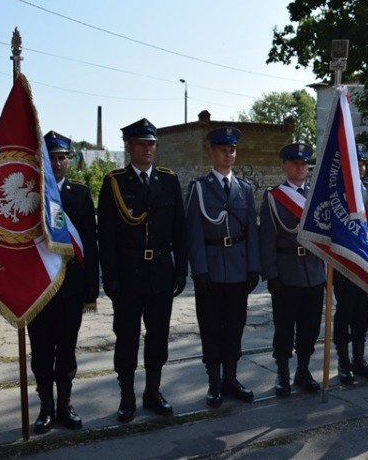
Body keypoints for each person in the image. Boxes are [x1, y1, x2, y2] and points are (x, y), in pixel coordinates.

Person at [98, 119, 187, 423]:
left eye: (151, 144)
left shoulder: (168, 180)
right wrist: (109, 277)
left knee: (158, 336)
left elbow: (180, 229)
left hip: (161, 270)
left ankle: (153, 391)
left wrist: (180, 270)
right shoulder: (114, 182)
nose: (148, 149)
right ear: (129, 147)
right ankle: (127, 396)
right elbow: (106, 236)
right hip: (128, 272)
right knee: (126, 337)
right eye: (142, 144)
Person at [29, 131, 100, 433]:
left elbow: (90, 246)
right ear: (43, 159)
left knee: (67, 349)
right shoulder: (30, 191)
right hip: (37, 288)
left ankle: (65, 405)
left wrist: (91, 291)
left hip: (70, 287)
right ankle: (45, 407)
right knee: (42, 349)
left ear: (68, 160)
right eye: (52, 157)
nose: (57, 163)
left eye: (62, 157)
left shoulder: (80, 194)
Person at [185, 127, 260, 408]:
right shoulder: (200, 188)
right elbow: (192, 233)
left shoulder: (244, 188)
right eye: (222, 150)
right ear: (211, 152)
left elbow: (251, 229)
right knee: (211, 328)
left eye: (232, 150)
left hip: (239, 270)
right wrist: (200, 270)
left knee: (235, 327)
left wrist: (254, 267)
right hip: (212, 270)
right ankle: (214, 382)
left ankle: (231, 378)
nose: (228, 154)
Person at [260, 143, 325, 396]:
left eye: (304, 163)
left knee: (310, 327)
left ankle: (303, 370)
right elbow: (267, 239)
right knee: (285, 327)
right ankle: (282, 373)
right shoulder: (273, 197)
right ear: (284, 166)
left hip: (314, 271)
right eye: (295, 163)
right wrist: (271, 275)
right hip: (286, 273)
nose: (301, 167)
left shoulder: (317, 195)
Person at [332, 144, 368, 382]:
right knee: (345, 313)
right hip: (345, 264)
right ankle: (343, 362)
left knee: (363, 312)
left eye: (363, 164)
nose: (361, 168)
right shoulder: (336, 192)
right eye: (357, 163)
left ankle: (359, 359)